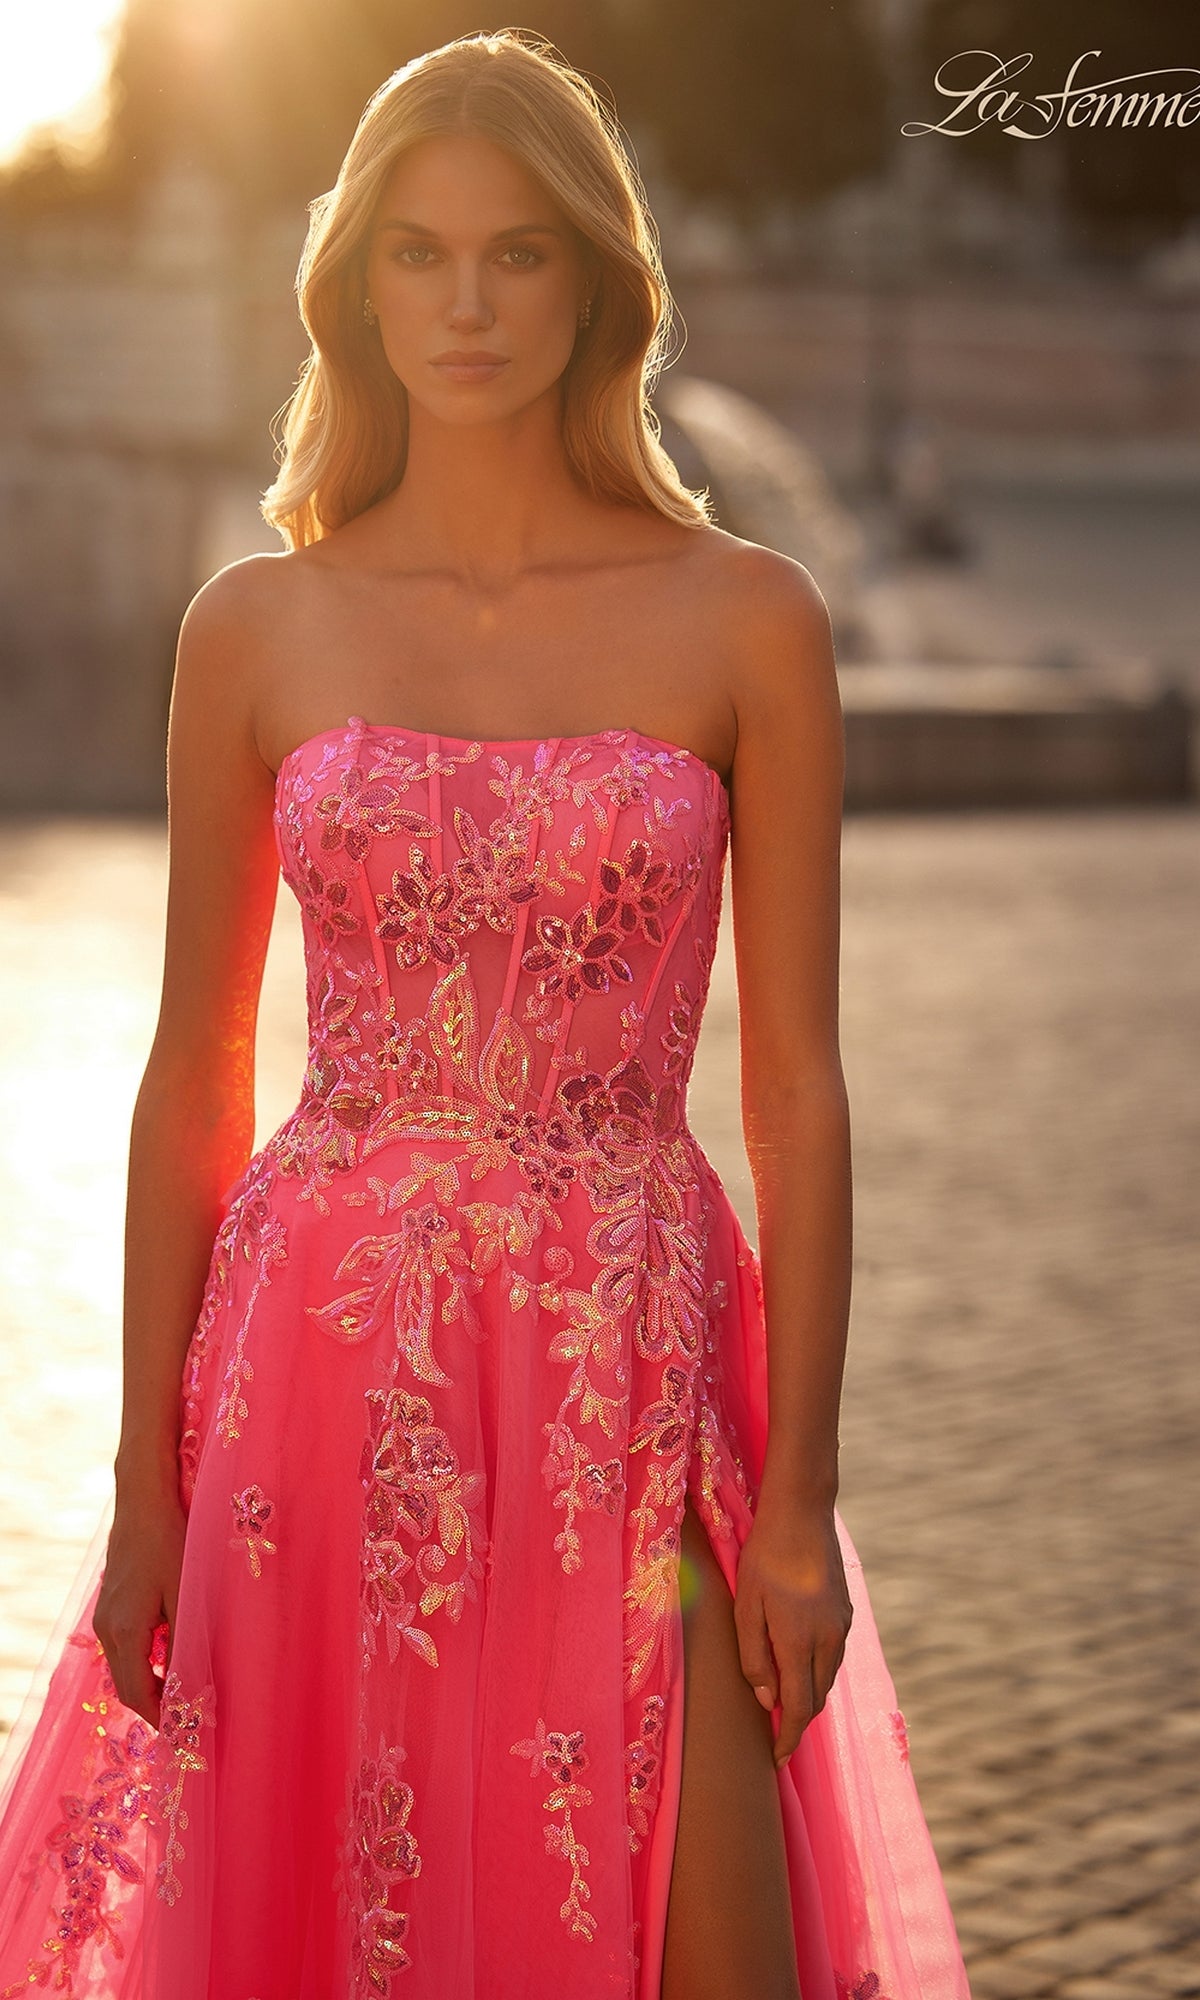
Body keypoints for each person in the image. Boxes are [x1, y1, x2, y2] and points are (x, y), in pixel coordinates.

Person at [0, 30, 972, 2000]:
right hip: (317, 1375)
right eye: (421, 253)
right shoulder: (254, 630)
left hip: (637, 1351)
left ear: (596, 280)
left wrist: (802, 1499)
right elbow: (193, 1075)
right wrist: (142, 1484)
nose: (467, 302)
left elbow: (796, 1084)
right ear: (355, 283)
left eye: (518, 254)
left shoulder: (750, 619)